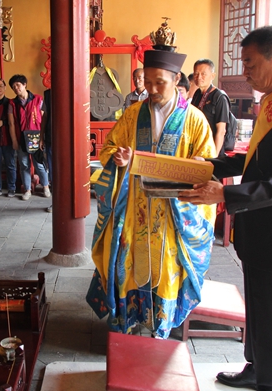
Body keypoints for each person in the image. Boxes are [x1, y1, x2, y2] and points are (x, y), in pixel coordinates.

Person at [178, 26, 272, 391]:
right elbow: (256, 160)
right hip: (260, 229)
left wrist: (224, 195)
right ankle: (256, 371)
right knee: (259, 310)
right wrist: (213, 165)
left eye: (249, 63)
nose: (243, 71)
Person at [86, 24, 217, 339]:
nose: (152, 89)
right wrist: (118, 158)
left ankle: (160, 327)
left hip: (173, 215)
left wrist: (195, 168)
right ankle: (127, 320)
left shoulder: (194, 120)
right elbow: (107, 149)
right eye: (148, 82)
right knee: (126, 264)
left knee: (167, 270)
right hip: (133, 208)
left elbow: (208, 166)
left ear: (176, 80)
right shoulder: (133, 114)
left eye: (160, 82)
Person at [7, 74, 50, 201]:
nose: (16, 88)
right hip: (21, 137)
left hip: (36, 137)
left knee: (39, 164)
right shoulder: (12, 103)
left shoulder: (38, 99)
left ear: (24, 85)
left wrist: (42, 138)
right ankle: (27, 190)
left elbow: (44, 119)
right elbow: (11, 123)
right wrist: (14, 140)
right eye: (13, 87)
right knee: (24, 164)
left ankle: (46, 186)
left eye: (18, 85)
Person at [191, 59, 233, 156]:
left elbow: (221, 131)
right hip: (198, 147)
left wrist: (214, 157)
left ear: (213, 76)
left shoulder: (219, 97)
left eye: (203, 74)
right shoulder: (197, 94)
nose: (199, 77)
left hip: (212, 149)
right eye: (196, 74)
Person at [41, 88, 53, 212]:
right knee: (53, 172)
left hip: (69, 140)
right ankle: (57, 202)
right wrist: (41, 137)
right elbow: (45, 116)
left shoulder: (73, 89)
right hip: (51, 138)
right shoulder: (48, 94)